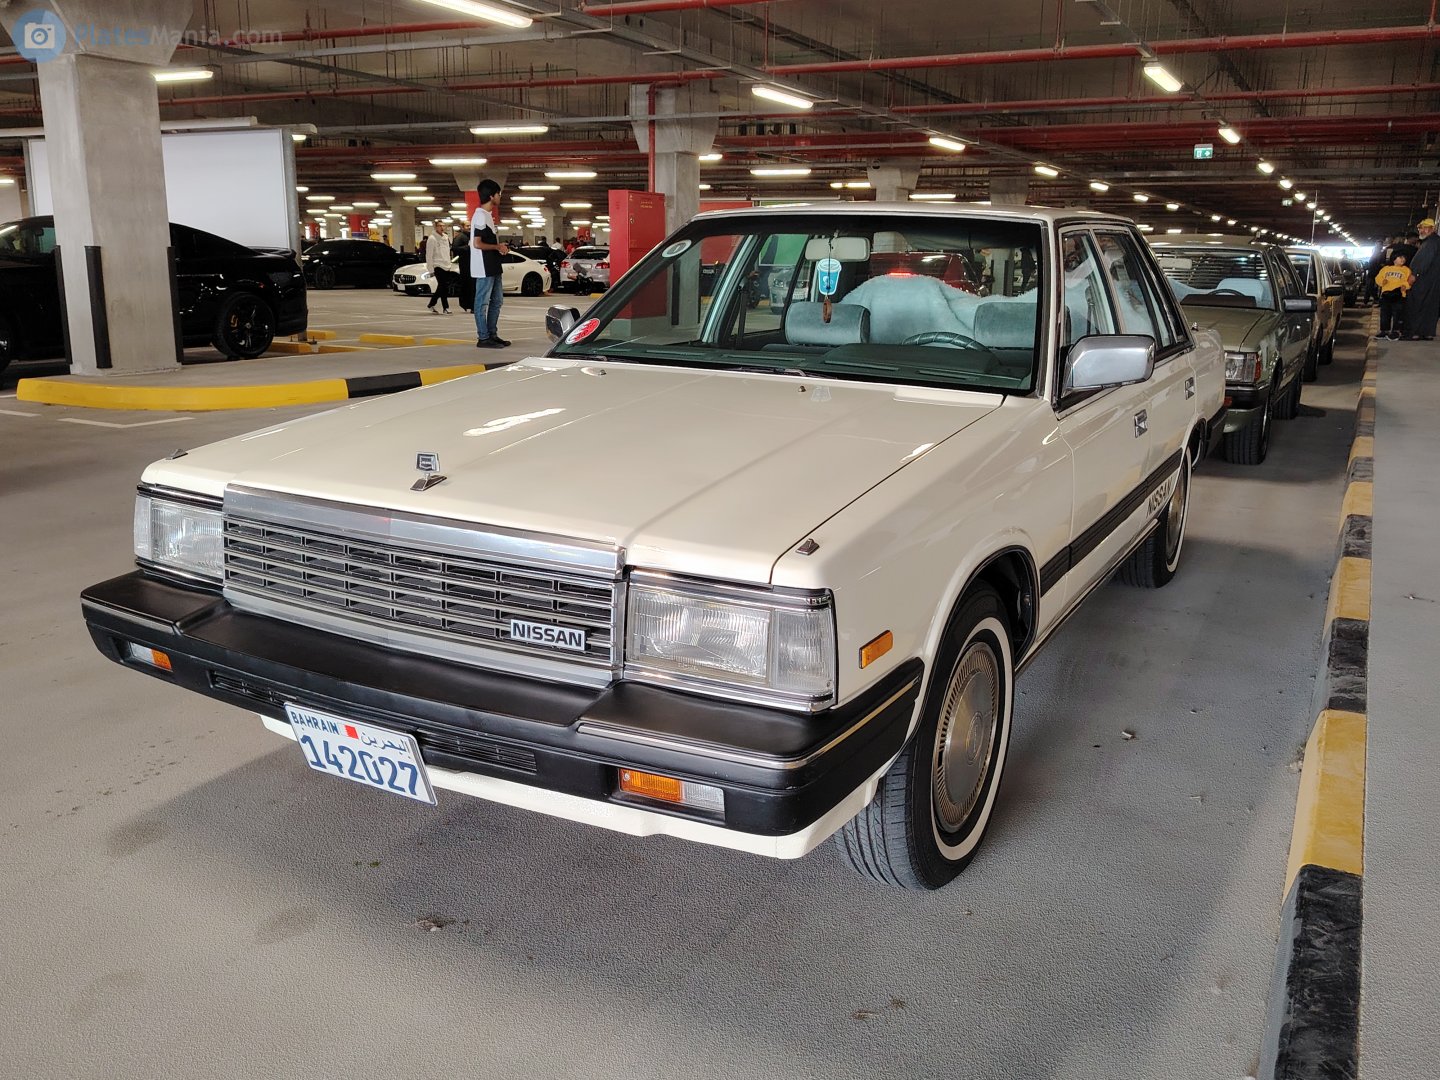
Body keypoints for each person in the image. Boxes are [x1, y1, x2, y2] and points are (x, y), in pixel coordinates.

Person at [470, 179, 510, 348]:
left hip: (493, 264)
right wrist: (497, 246)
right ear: (491, 196)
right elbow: (477, 243)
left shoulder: (487, 216)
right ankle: (483, 337)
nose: (500, 197)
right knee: (482, 302)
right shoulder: (480, 215)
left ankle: (492, 334)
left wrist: (498, 248)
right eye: (498, 194)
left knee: (497, 301)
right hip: (483, 265)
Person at [1404, 218, 1440, 340]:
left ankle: (1415, 332)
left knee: (1418, 304)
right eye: (1420, 228)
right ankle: (1427, 332)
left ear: (1432, 229)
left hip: (1424, 281)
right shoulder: (1435, 241)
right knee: (1430, 306)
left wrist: (1414, 274)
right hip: (1433, 281)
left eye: (1425, 228)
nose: (1421, 230)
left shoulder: (1430, 243)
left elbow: (1424, 261)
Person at [1375, 254, 1413, 340]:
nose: (1403, 259)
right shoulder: (1386, 269)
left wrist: (1405, 286)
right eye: (1400, 257)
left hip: (1399, 295)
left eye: (1404, 258)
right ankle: (1384, 331)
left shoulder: (1406, 270)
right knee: (1385, 314)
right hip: (1386, 294)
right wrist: (1382, 281)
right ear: (1394, 259)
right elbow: (1378, 278)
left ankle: (1396, 331)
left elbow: (1409, 281)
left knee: (1398, 314)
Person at [424, 221, 456, 314]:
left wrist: (449, 263)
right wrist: (430, 269)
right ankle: (446, 307)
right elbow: (429, 255)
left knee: (442, 287)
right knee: (443, 286)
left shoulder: (446, 237)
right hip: (437, 265)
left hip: (446, 265)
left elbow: (447, 252)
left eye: (443, 226)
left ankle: (431, 304)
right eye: (440, 226)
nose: (442, 228)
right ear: (435, 227)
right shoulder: (432, 239)